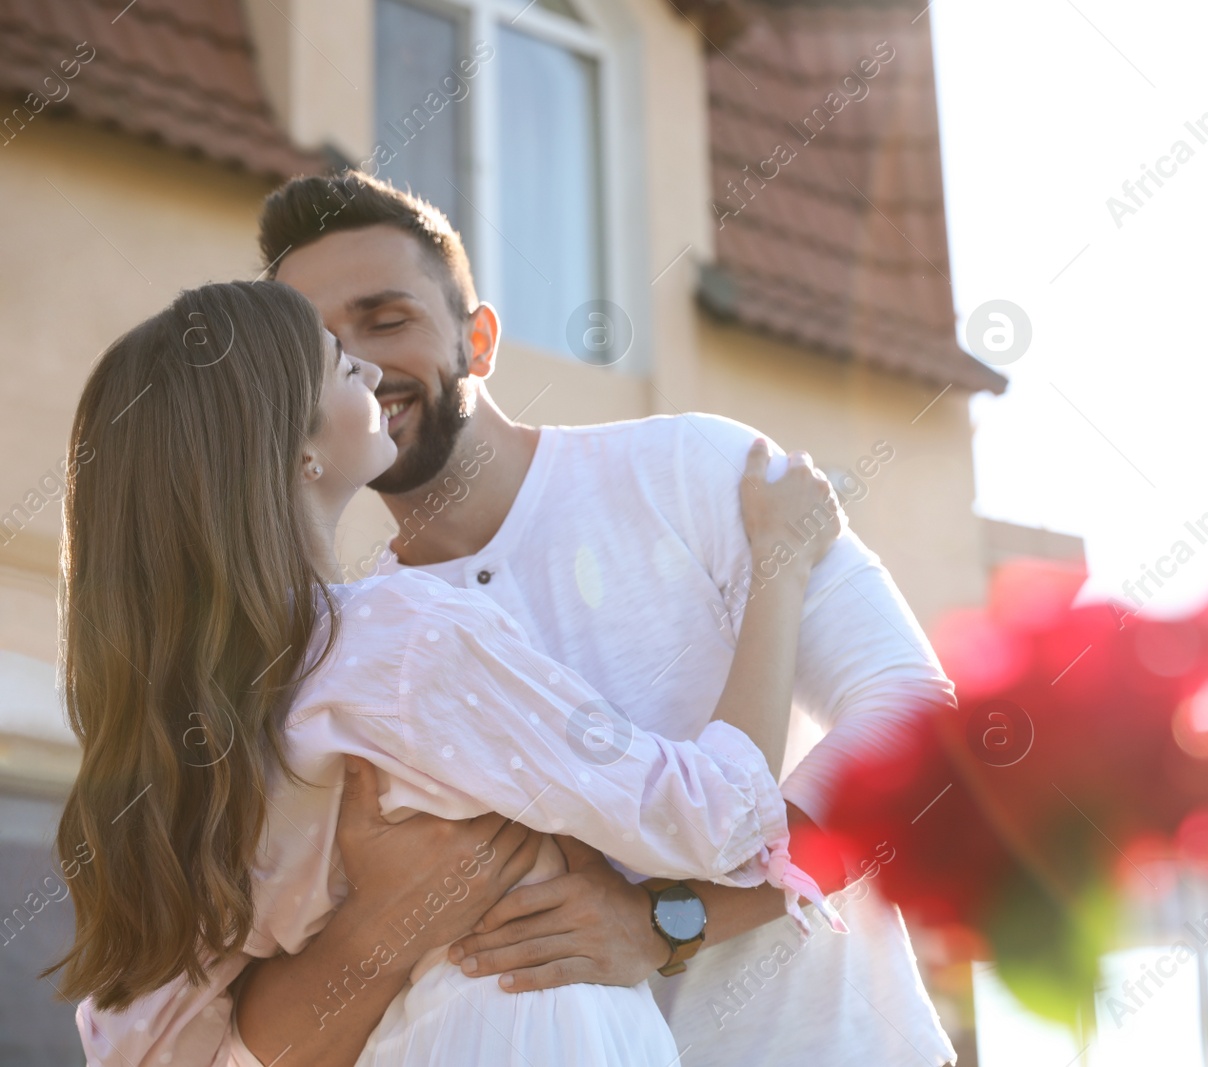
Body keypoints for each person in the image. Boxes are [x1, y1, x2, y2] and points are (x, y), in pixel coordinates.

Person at [79, 170, 960, 1067]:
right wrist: (384, 921)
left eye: (386, 319)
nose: (364, 361)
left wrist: (666, 924)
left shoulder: (692, 470)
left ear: (480, 338)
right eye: (320, 340)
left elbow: (919, 724)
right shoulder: (340, 655)